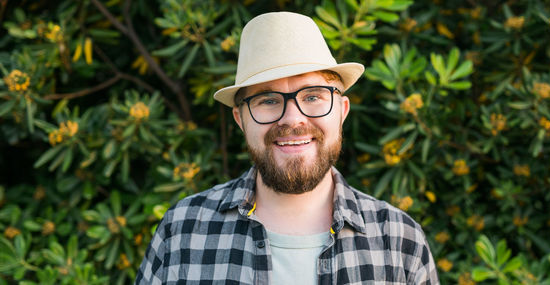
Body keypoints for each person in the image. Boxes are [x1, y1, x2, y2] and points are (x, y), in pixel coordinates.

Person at [136, 11, 439, 284]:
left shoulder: (400, 240)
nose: (293, 119)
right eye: (268, 100)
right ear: (240, 119)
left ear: (342, 111)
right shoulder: (183, 231)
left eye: (313, 96)